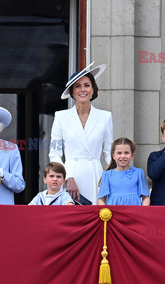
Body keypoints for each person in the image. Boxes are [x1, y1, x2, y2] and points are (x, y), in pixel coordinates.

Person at [49, 62, 113, 205]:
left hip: (95, 175)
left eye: (86, 85)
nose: (82, 90)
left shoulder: (105, 117)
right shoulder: (61, 117)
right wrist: (67, 177)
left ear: (93, 89)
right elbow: (54, 153)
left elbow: (108, 153)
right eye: (77, 86)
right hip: (71, 174)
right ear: (72, 92)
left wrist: (118, 174)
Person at [98, 138, 150, 206]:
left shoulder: (138, 173)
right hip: (114, 213)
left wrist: (142, 211)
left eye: (126, 153)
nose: (123, 156)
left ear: (132, 155)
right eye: (119, 153)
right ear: (113, 155)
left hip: (134, 213)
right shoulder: (107, 175)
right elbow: (101, 199)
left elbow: (146, 197)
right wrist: (105, 212)